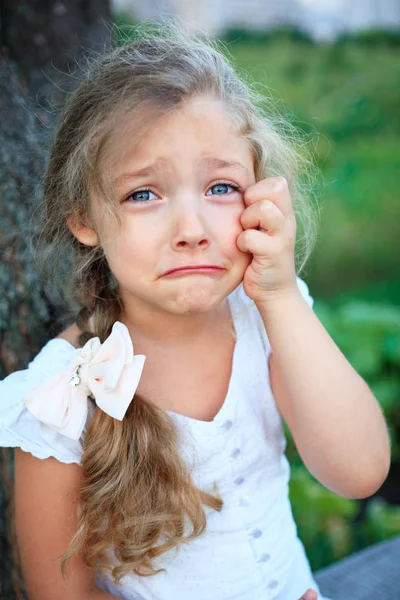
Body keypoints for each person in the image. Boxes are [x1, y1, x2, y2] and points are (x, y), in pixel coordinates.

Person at [0, 21, 390, 600]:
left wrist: (281, 297)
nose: (192, 231)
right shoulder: (62, 397)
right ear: (84, 218)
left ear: (260, 196)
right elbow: (63, 594)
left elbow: (359, 471)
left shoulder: (268, 318)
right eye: (143, 194)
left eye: (221, 188)